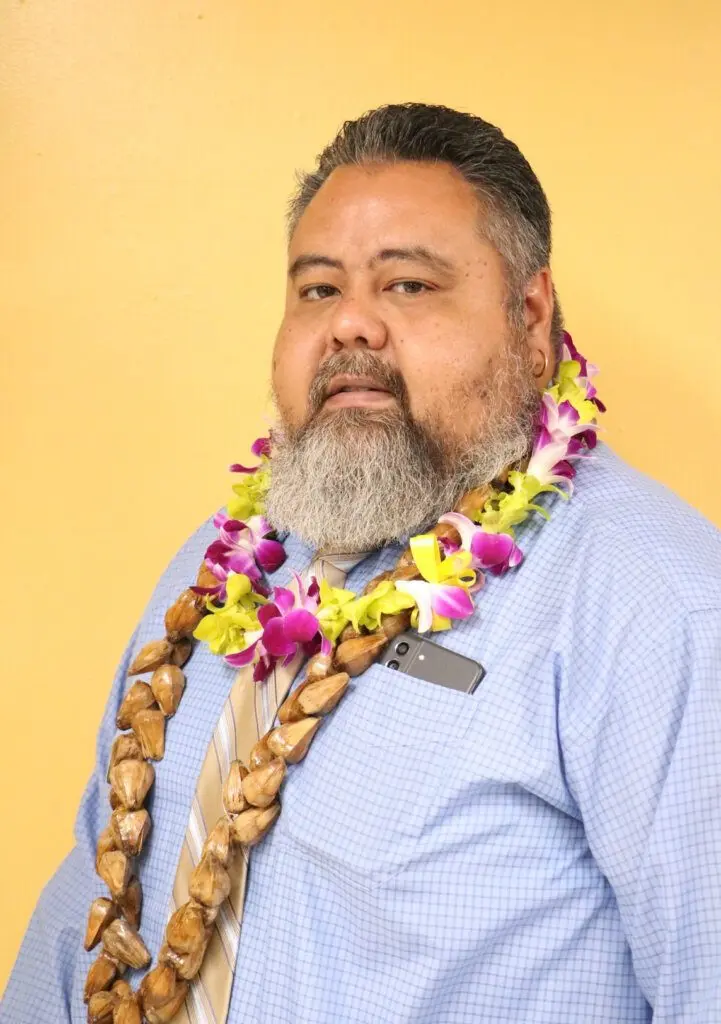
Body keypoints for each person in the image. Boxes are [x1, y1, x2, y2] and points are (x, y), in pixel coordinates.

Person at [2, 102, 720, 1024]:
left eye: (408, 285)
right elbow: (85, 909)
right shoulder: (217, 571)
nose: (350, 325)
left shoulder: (655, 606)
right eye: (316, 290)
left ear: (531, 320)